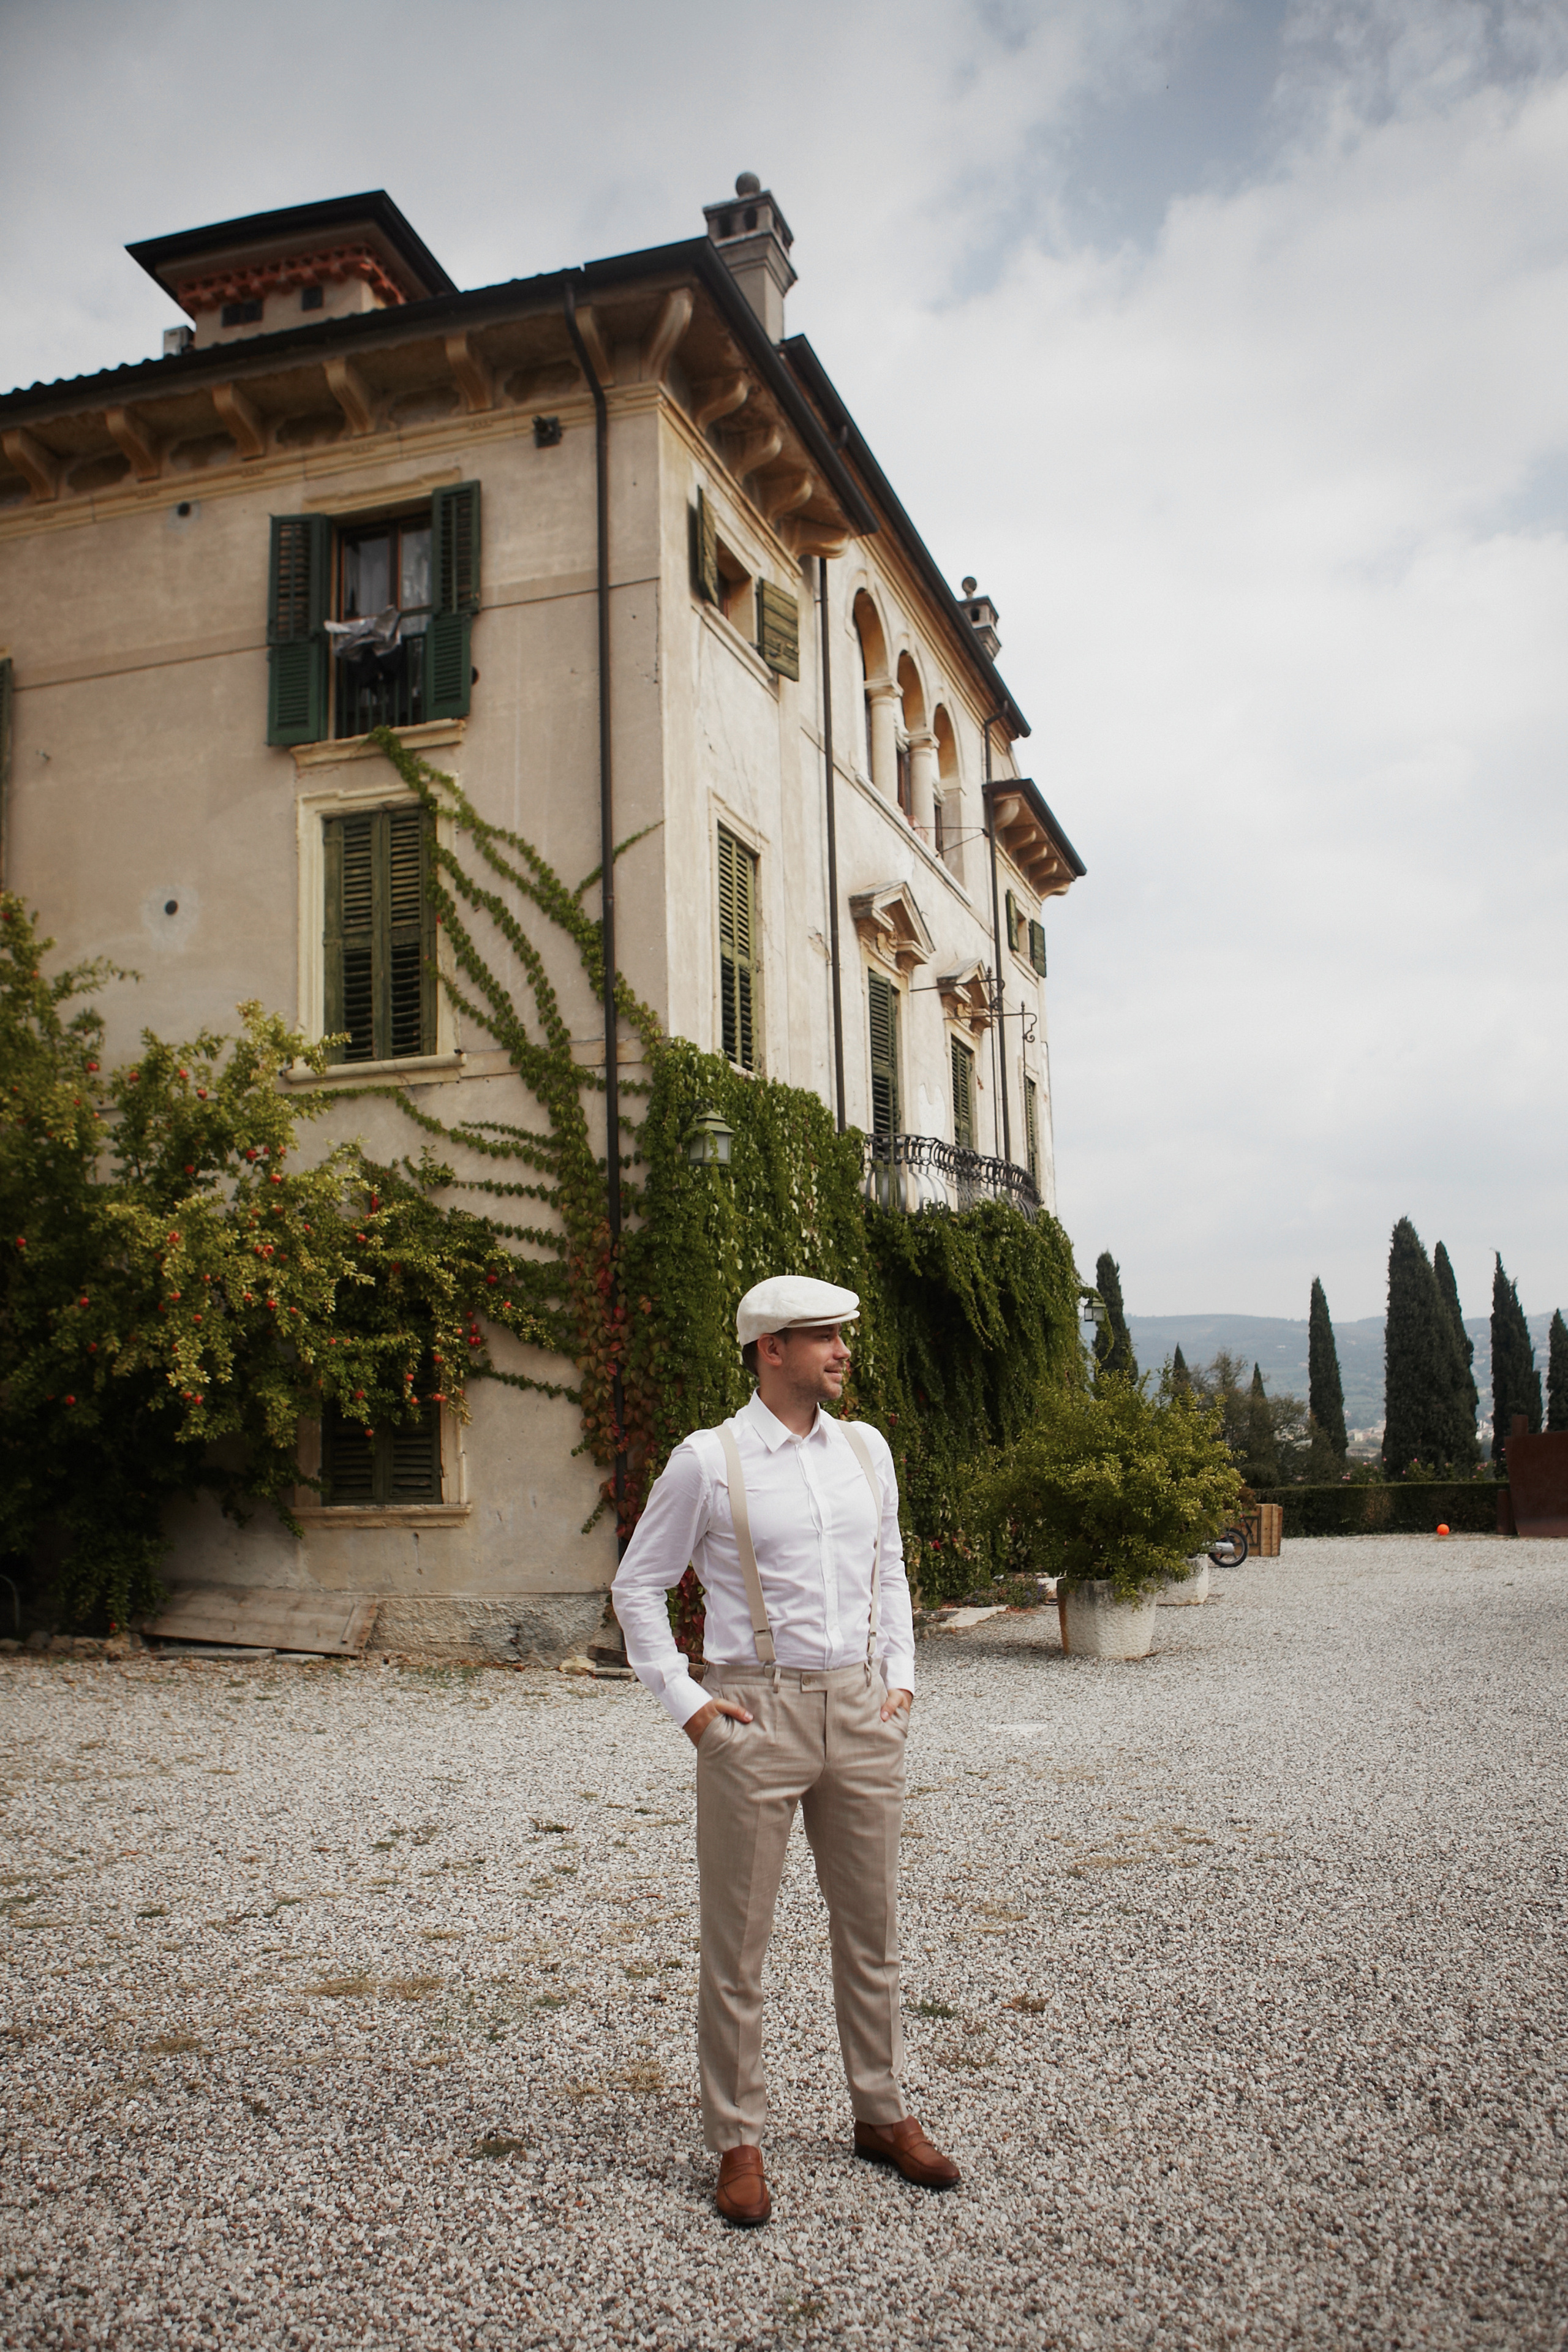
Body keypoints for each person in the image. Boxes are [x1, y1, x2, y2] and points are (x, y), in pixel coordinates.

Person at [611, 1273, 961, 2227]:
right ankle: (737, 2138)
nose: (844, 1351)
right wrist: (686, 1702)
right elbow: (636, 1587)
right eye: (826, 1338)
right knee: (738, 1944)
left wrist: (902, 1675)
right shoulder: (706, 1460)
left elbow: (889, 1559)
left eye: (844, 1335)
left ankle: (882, 2112)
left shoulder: (865, 1448)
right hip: (752, 1713)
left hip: (859, 1708)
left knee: (873, 1929)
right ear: (772, 1349)